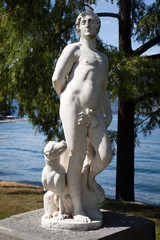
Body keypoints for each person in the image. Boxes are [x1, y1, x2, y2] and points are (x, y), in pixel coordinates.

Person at [52, 10, 112, 223]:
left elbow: (103, 88)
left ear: (98, 26)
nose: (87, 25)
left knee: (105, 155)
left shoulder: (104, 58)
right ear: (78, 27)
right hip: (73, 107)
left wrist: (108, 112)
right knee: (76, 156)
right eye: (83, 22)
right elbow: (57, 78)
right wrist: (69, 100)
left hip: (94, 113)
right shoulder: (74, 49)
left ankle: (88, 178)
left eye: (92, 22)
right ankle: (78, 208)